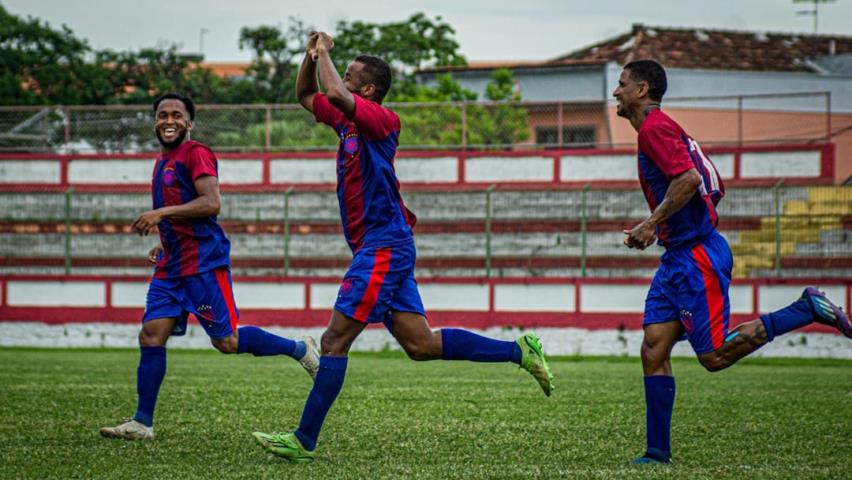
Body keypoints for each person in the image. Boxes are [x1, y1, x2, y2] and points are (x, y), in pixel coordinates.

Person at [251, 32, 555, 464]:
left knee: (333, 341)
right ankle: (519, 352)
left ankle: (303, 440)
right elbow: (307, 93)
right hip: (381, 245)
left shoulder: (382, 119)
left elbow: (333, 90)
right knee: (422, 345)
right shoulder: (345, 121)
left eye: (353, 76)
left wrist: (325, 53)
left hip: (384, 246)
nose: (344, 79)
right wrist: (309, 55)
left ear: (368, 90)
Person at [613, 59, 852, 465]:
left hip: (696, 258)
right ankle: (656, 454)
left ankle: (806, 308)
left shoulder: (655, 128)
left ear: (642, 90)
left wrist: (650, 223)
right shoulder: (657, 130)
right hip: (678, 258)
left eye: (622, 84)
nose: (615, 92)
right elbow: (706, 181)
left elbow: (689, 179)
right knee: (654, 350)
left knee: (715, 356)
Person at [99, 93, 320, 441]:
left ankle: (300, 349)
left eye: (176, 115)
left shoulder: (196, 153)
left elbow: (211, 202)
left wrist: (160, 215)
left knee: (227, 342)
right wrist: (165, 241)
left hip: (202, 263)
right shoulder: (163, 161)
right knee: (151, 335)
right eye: (162, 115)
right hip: (172, 265)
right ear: (155, 121)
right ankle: (142, 422)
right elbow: (183, 210)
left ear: (189, 123)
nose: (168, 120)